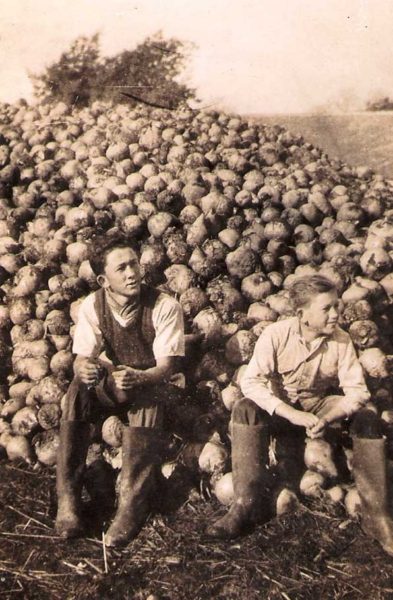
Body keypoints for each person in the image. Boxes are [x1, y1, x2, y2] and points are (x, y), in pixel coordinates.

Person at [207, 274, 393, 556]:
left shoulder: (341, 340)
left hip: (318, 407)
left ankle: (377, 515)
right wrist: (291, 414)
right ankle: (243, 505)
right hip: (280, 409)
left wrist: (328, 417)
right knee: (245, 407)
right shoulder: (276, 335)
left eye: (337, 306)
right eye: (327, 308)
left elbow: (358, 392)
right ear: (302, 315)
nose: (335, 314)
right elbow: (252, 382)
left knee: (367, 416)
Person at [55, 233, 185, 547]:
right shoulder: (92, 306)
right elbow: (82, 356)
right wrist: (83, 368)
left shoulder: (164, 305)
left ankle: (132, 505)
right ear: (103, 279)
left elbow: (166, 366)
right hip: (116, 383)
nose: (132, 273)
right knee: (76, 389)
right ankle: (68, 498)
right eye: (122, 268)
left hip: (154, 385)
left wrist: (141, 378)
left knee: (150, 396)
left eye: (134, 264)